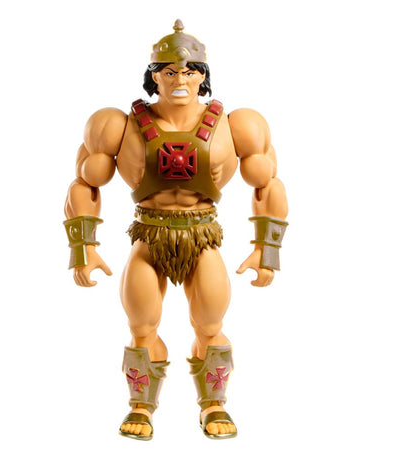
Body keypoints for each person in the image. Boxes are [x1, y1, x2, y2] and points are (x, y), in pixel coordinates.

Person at [63, 19, 288, 440]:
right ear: (154, 76)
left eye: (189, 71)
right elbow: (84, 183)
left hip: (202, 236)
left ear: (203, 76)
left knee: (209, 324)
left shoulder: (237, 125)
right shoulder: (118, 125)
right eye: (168, 71)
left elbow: (268, 184)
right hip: (148, 236)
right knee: (141, 326)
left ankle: (214, 404)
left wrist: (266, 249)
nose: (179, 79)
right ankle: (140, 406)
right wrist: (83, 248)